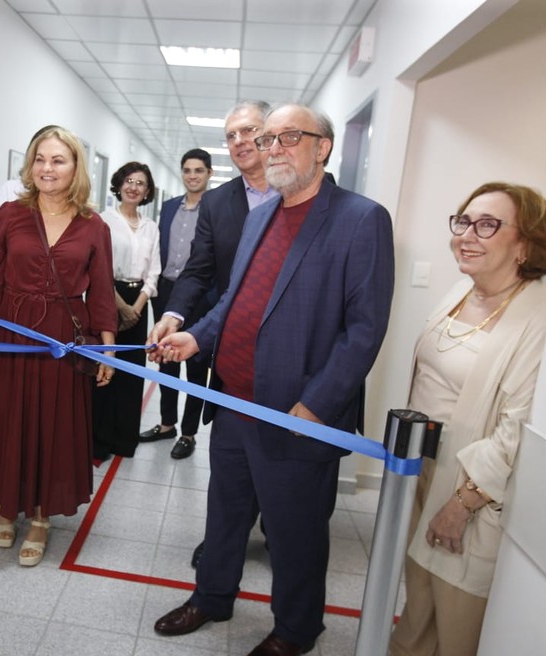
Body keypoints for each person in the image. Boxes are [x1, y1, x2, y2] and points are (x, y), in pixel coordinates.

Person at [151, 103, 395, 655]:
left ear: (322, 146)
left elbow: (364, 331)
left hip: (297, 413)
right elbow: (236, 302)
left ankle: (296, 630)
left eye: (290, 137)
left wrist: (314, 407)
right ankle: (212, 597)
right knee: (226, 511)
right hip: (235, 400)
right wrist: (198, 337)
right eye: (269, 140)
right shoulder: (262, 213)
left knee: (295, 532)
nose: (274, 148)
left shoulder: (361, 219)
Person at [390, 183, 546, 656]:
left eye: (487, 225)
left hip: (471, 485)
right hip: (422, 467)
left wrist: (461, 503)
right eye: (463, 221)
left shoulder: (539, 314)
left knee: (456, 616)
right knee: (417, 600)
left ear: (525, 243)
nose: (467, 234)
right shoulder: (461, 290)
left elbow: (517, 426)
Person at [0, 126, 117, 567]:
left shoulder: (93, 225)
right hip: (10, 334)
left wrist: (107, 348)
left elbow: (101, 291)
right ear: (30, 166)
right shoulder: (10, 214)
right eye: (40, 159)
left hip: (64, 340)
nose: (47, 168)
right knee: (9, 418)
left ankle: (42, 515)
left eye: (58, 160)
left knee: (53, 424)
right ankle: (7, 506)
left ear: (75, 167)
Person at [147, 100, 276, 565]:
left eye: (251, 131)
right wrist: (176, 315)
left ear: (275, 135)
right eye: (231, 135)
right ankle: (226, 540)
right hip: (234, 353)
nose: (240, 141)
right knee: (232, 457)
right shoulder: (219, 203)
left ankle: (278, 534)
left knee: (281, 462)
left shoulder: (305, 194)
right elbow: (199, 270)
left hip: (288, 360)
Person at [138, 148, 214, 460]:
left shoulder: (217, 207)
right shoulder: (169, 207)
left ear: (209, 173)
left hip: (201, 295)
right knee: (166, 362)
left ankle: (189, 433)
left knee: (196, 368)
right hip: (168, 293)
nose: (192, 176)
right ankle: (167, 423)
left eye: (198, 170)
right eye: (187, 170)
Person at [93, 162, 160, 460]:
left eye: (140, 183)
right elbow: (98, 268)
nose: (134, 187)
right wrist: (120, 305)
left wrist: (136, 307)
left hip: (139, 302)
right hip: (107, 296)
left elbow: (154, 272)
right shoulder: (102, 220)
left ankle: (124, 440)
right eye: (129, 181)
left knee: (132, 374)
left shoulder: (151, 227)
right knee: (106, 370)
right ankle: (99, 441)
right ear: (119, 184)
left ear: (147, 191)